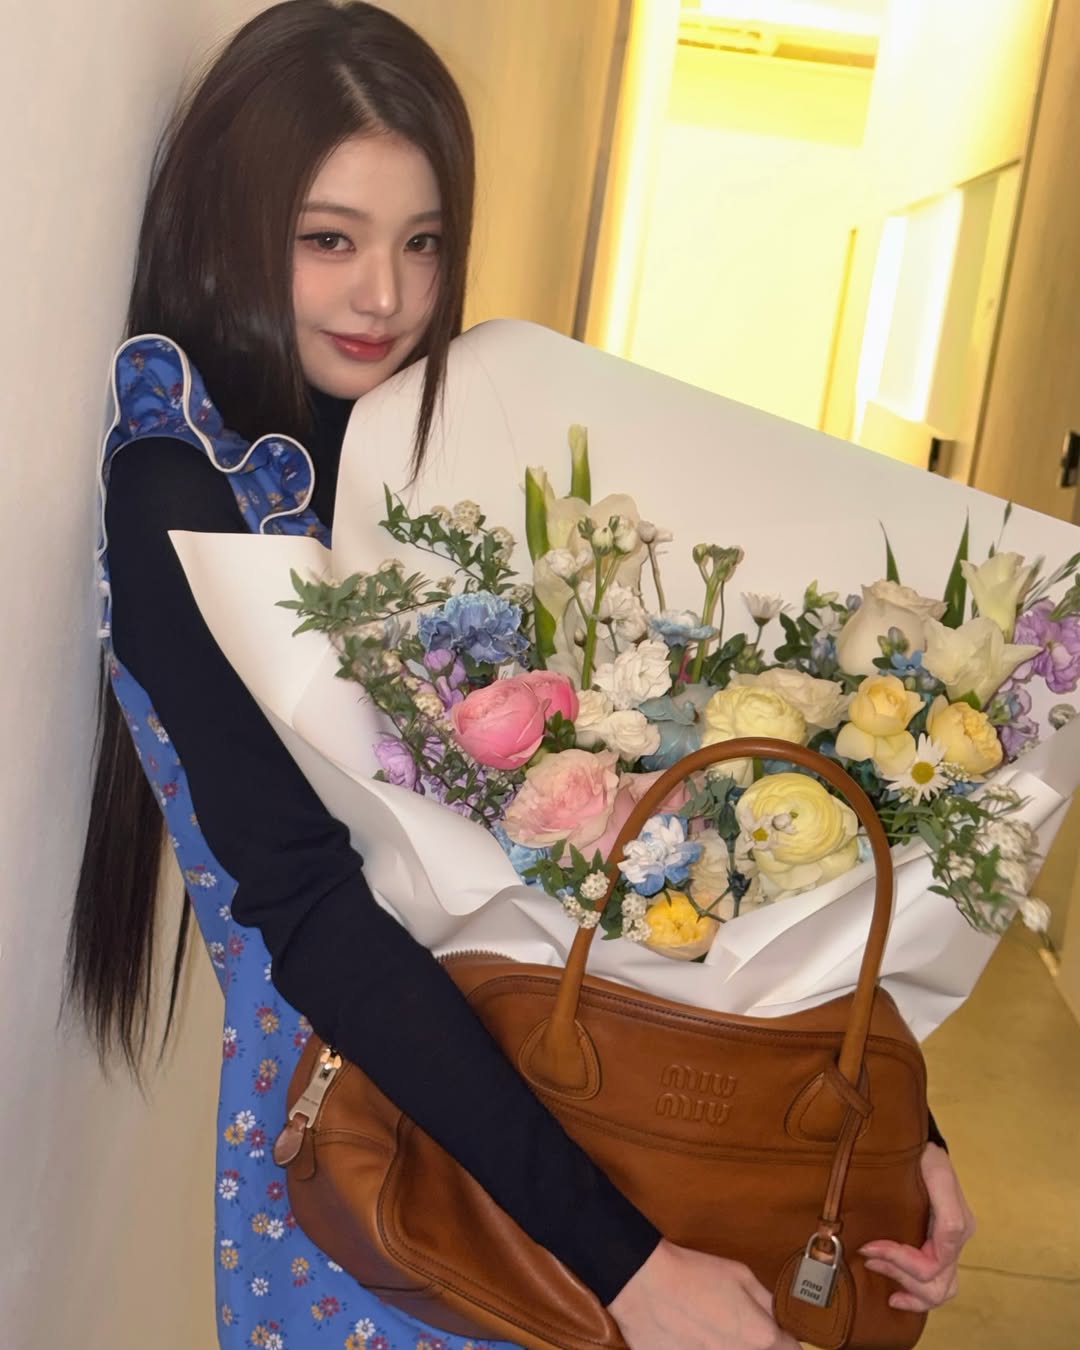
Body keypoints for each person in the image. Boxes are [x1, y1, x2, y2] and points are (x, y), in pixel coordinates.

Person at [66, 3, 974, 1348]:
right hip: (385, 1146)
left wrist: (895, 1128)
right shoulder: (181, 490)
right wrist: (628, 1269)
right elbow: (316, 914)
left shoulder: (427, 450)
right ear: (228, 224)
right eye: (330, 239)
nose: (387, 296)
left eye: (422, 242)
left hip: (579, 1105)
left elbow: (649, 826)